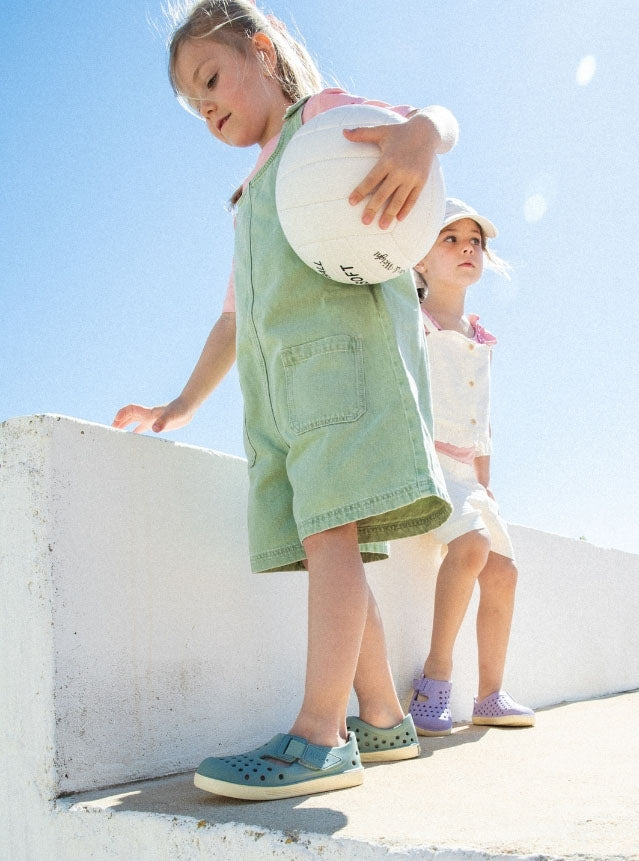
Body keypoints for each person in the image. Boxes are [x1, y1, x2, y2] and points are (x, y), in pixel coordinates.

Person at [113, 0, 457, 800]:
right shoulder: (250, 198)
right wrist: (180, 404)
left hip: (342, 378)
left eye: (212, 80)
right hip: (281, 406)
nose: (210, 110)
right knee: (328, 548)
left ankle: (319, 734)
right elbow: (234, 320)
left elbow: (431, 121)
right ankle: (381, 715)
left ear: (262, 51)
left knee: (332, 539)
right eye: (197, 108)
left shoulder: (324, 127)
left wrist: (421, 136)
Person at [408, 198, 535, 736]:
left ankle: (489, 695)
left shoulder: (482, 338)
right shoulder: (413, 321)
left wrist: (487, 485)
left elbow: (482, 419)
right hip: (426, 465)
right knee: (472, 547)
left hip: (467, 477)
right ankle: (434, 680)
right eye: (450, 239)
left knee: (504, 572)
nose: (465, 248)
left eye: (475, 242)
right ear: (420, 258)